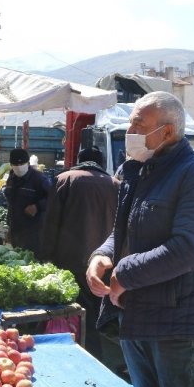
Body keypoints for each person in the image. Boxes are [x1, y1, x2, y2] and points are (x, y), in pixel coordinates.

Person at [86, 91, 194, 387]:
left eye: (138, 124)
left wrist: (123, 275)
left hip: (177, 322)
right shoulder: (139, 171)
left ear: (167, 132)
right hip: (137, 315)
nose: (130, 130)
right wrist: (102, 256)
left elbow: (188, 249)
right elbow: (125, 231)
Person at [41, 146, 118, 359]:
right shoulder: (115, 184)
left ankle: (84, 354)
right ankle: (96, 353)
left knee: (76, 311)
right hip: (104, 261)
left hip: (70, 258)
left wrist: (46, 255)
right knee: (96, 310)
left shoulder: (65, 179)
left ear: (78, 159)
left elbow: (52, 220)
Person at [4, 148, 51, 256]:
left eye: (22, 163)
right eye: (15, 164)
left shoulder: (39, 179)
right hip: (16, 229)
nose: (19, 167)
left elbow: (53, 198)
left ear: (28, 163)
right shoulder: (11, 179)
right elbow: (11, 205)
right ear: (11, 164)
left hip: (34, 232)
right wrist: (10, 228)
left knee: (32, 261)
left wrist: (37, 206)